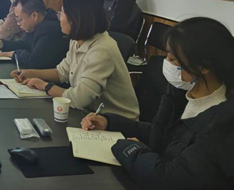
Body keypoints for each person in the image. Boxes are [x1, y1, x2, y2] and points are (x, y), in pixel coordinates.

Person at [81, 17, 234, 190]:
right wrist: (110, 122)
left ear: (203, 67)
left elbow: (170, 178)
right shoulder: (182, 93)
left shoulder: (223, 124)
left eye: (173, 59)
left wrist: (131, 148)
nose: (166, 62)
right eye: (167, 54)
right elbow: (162, 135)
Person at [12, 0, 139, 119]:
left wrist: (45, 86)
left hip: (115, 121)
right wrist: (29, 73)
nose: (59, 17)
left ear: (76, 19)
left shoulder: (102, 49)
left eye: (62, 13)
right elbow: (61, 73)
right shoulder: (76, 40)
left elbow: (79, 99)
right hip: (89, 115)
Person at [0, 0, 69, 69]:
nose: (18, 24)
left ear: (34, 16)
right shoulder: (39, 24)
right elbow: (24, 44)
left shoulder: (50, 29)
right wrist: (0, 43)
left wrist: (14, 54)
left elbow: (34, 61)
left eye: (20, 20)